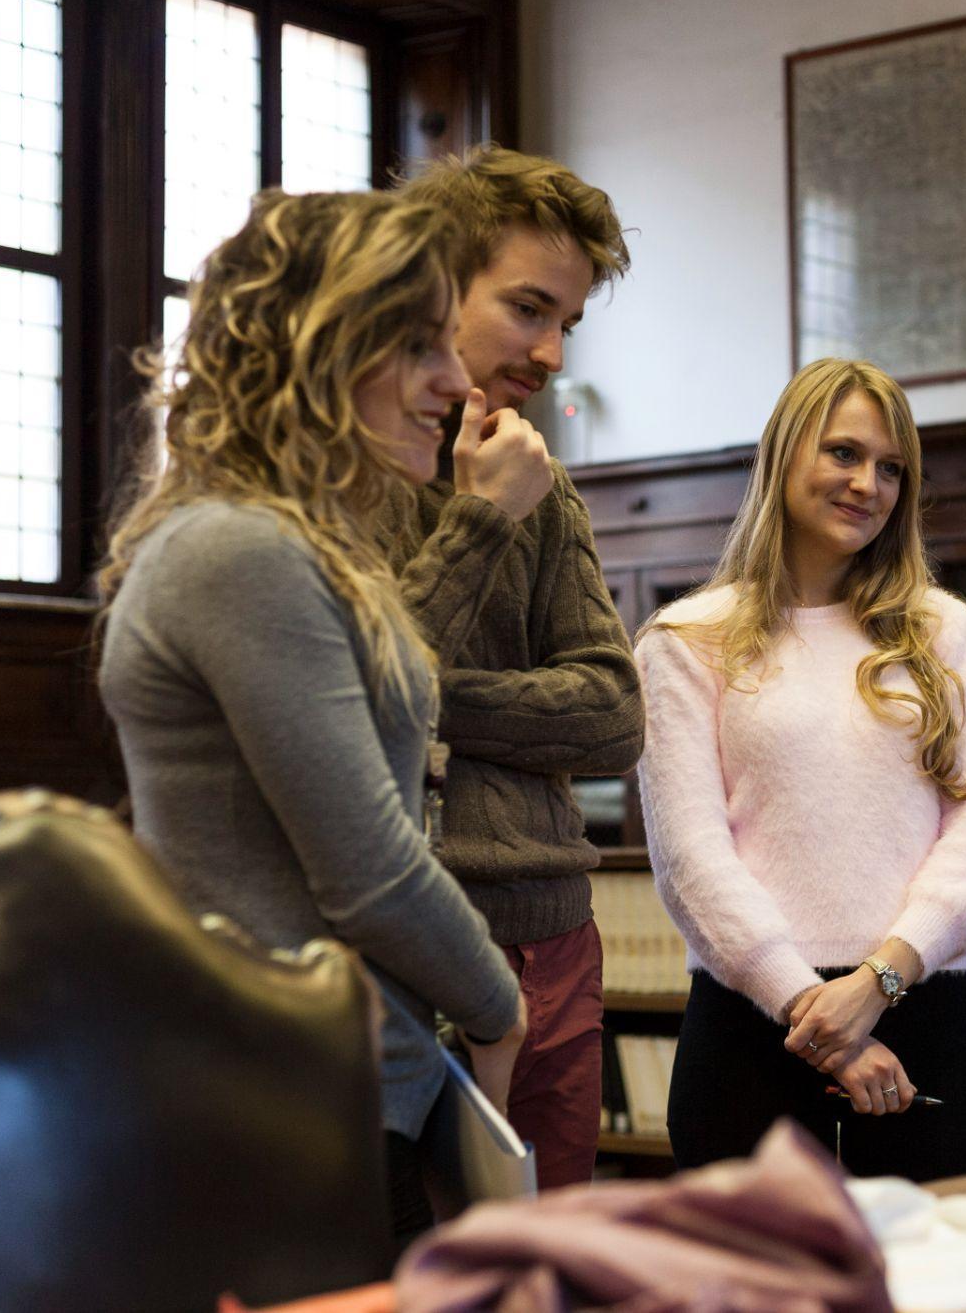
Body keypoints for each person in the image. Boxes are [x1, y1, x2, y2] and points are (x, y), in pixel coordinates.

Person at [99, 189, 523, 1244]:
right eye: (417, 345)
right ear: (318, 352)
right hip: (278, 1098)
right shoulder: (238, 550)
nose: (457, 381)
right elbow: (369, 869)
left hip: (340, 1083)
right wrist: (496, 1002)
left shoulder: (299, 548)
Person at [633, 358, 966, 1180]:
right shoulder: (685, 640)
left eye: (889, 467)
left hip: (926, 1015)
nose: (866, 483)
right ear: (783, 456)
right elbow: (692, 859)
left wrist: (875, 984)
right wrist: (813, 1007)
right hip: (751, 1027)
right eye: (843, 453)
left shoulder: (945, 632)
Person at [378, 145, 641, 1191]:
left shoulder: (546, 481)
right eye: (528, 308)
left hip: (553, 939)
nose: (548, 352)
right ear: (432, 282)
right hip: (403, 947)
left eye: (567, 324)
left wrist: (443, 716)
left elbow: (613, 716)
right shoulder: (360, 471)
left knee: (548, 1264)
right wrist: (481, 521)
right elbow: (362, 689)